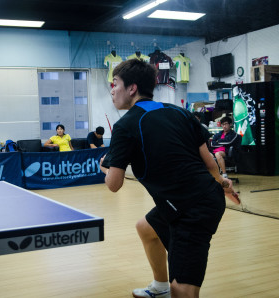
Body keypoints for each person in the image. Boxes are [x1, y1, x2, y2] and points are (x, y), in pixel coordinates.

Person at [100, 59, 239, 298]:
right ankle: (160, 287)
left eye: (115, 84)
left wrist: (104, 166)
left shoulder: (125, 126)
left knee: (182, 290)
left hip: (192, 209)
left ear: (132, 88)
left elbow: (114, 184)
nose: (112, 90)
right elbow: (209, 162)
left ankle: (171, 288)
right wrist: (221, 183)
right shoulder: (179, 112)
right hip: (194, 198)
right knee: (146, 228)